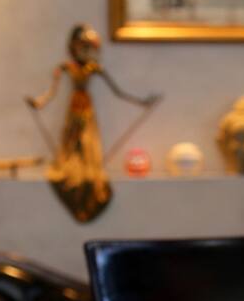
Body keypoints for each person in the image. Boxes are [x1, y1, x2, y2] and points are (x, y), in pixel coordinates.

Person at [25, 24, 158, 222]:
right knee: (71, 144)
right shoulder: (66, 68)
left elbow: (118, 92)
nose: (86, 52)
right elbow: (50, 92)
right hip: (74, 109)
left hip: (86, 110)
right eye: (82, 47)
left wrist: (141, 102)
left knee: (88, 144)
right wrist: (38, 102)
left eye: (90, 48)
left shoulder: (94, 68)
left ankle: (88, 171)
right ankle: (73, 170)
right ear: (73, 47)